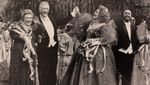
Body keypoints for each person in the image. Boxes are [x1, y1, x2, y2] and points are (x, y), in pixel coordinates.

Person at [61, 5, 117, 85]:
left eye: (97, 12)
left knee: (97, 74)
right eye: (95, 11)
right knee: (82, 70)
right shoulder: (89, 24)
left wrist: (96, 41)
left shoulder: (104, 26)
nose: (94, 13)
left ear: (101, 14)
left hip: (98, 52)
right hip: (85, 50)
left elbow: (110, 38)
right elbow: (81, 34)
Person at [36, 1, 78, 85]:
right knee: (44, 70)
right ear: (40, 9)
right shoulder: (36, 20)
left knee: (52, 68)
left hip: (53, 47)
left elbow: (62, 21)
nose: (45, 11)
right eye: (43, 9)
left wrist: (73, 14)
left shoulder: (51, 17)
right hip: (43, 49)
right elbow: (34, 32)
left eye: (47, 9)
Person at [9, 9, 40, 85]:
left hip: (30, 53)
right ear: (23, 18)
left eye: (30, 18)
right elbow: (12, 34)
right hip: (19, 53)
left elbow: (36, 37)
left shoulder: (34, 27)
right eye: (27, 18)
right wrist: (22, 36)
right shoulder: (18, 26)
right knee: (19, 70)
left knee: (28, 70)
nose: (29, 20)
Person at [113, 10, 139, 85]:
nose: (127, 14)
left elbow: (135, 38)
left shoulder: (133, 26)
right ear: (122, 15)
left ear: (131, 15)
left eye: (129, 13)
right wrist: (117, 49)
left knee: (128, 75)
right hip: (120, 53)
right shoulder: (117, 25)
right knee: (117, 73)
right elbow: (114, 37)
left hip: (130, 53)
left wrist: (135, 50)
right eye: (125, 13)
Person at [131, 17, 150, 85]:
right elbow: (140, 38)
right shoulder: (142, 26)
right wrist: (146, 39)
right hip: (144, 50)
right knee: (142, 70)